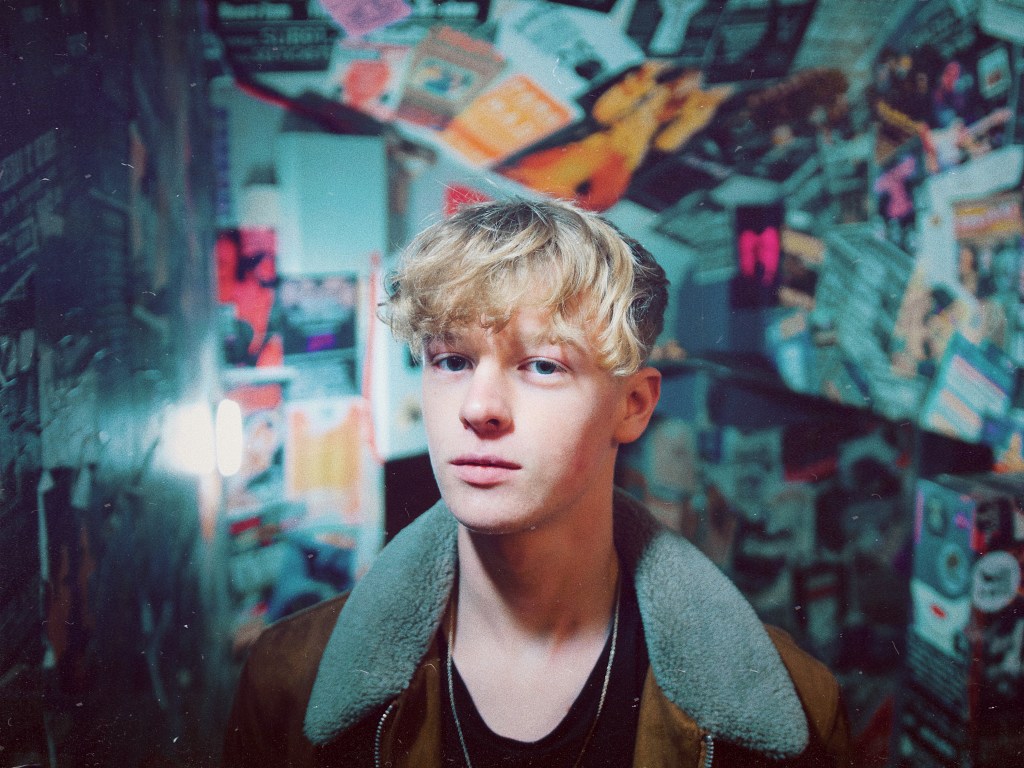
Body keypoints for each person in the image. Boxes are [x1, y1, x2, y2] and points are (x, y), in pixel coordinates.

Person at [222, 197, 851, 767]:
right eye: (452, 360)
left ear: (633, 405)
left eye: (542, 365)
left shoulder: (794, 705)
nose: (478, 406)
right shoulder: (289, 681)